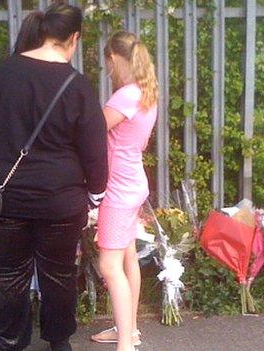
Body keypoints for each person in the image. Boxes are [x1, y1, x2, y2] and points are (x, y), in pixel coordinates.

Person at [0, 3, 108, 351]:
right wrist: (96, 193)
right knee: (58, 273)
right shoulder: (76, 85)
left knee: (10, 273)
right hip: (60, 200)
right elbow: (94, 147)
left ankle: (10, 340)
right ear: (73, 38)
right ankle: (59, 341)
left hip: (6, 199)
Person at [90, 31, 158, 351]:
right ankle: (127, 330)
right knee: (128, 257)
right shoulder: (146, 93)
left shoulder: (125, 96)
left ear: (115, 59)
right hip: (133, 184)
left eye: (108, 65)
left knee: (109, 266)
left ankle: (126, 345)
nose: (108, 71)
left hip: (118, 192)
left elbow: (91, 132)